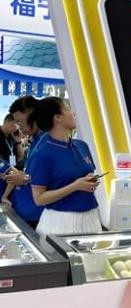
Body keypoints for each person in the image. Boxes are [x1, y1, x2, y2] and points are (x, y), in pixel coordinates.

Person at [29, 97, 102, 235]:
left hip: (91, 217)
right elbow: (39, 199)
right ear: (57, 117)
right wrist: (75, 186)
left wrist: (90, 181)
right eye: (67, 108)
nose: (73, 113)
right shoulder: (42, 153)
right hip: (60, 221)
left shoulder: (82, 146)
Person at [4, 96, 45, 227]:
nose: (18, 127)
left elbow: (58, 178)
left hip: (37, 215)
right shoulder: (35, 140)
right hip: (24, 211)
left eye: (19, 121)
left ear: (30, 113)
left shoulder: (48, 142)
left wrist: (25, 178)